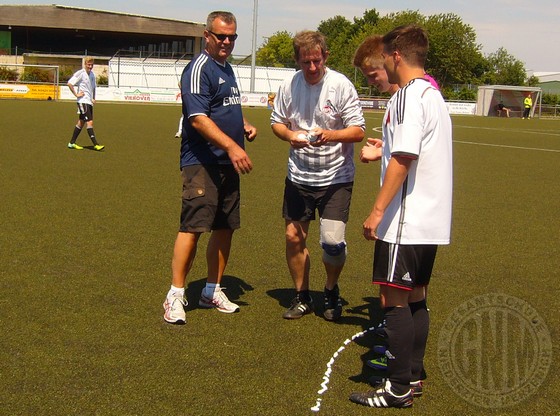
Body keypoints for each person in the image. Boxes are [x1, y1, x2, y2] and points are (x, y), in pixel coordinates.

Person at [349, 25, 452, 408]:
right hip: (431, 219)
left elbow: (405, 158)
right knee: (416, 298)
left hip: (406, 220)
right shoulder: (433, 94)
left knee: (393, 300)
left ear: (395, 55)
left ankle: (397, 388)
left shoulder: (410, 95)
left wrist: (377, 211)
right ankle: (413, 377)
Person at [162, 11, 257, 324]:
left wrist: (242, 125)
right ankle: (175, 294)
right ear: (207, 35)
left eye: (232, 37)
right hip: (201, 162)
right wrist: (232, 146)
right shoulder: (198, 68)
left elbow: (221, 108)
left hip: (225, 162)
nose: (227, 42)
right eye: (221, 36)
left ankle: (211, 290)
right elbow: (198, 118)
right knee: (193, 227)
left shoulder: (228, 69)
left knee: (224, 227)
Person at [270, 31, 365, 321]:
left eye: (316, 60)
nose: (311, 68)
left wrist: (330, 135)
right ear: (297, 60)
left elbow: (358, 130)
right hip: (299, 175)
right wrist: (290, 135)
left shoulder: (340, 85)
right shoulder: (289, 85)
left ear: (325, 56)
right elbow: (277, 123)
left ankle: (331, 289)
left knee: (332, 241)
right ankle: (302, 296)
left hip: (336, 176)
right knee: (293, 237)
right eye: (305, 62)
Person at [67, 56, 105, 151]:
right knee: (90, 122)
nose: (90, 66)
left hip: (89, 102)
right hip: (82, 101)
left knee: (81, 122)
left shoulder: (92, 75)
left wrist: (93, 98)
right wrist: (76, 94)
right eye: (88, 64)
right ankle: (96, 144)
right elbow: (69, 83)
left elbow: (94, 87)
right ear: (85, 64)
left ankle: (71, 143)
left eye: (92, 65)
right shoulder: (80, 73)